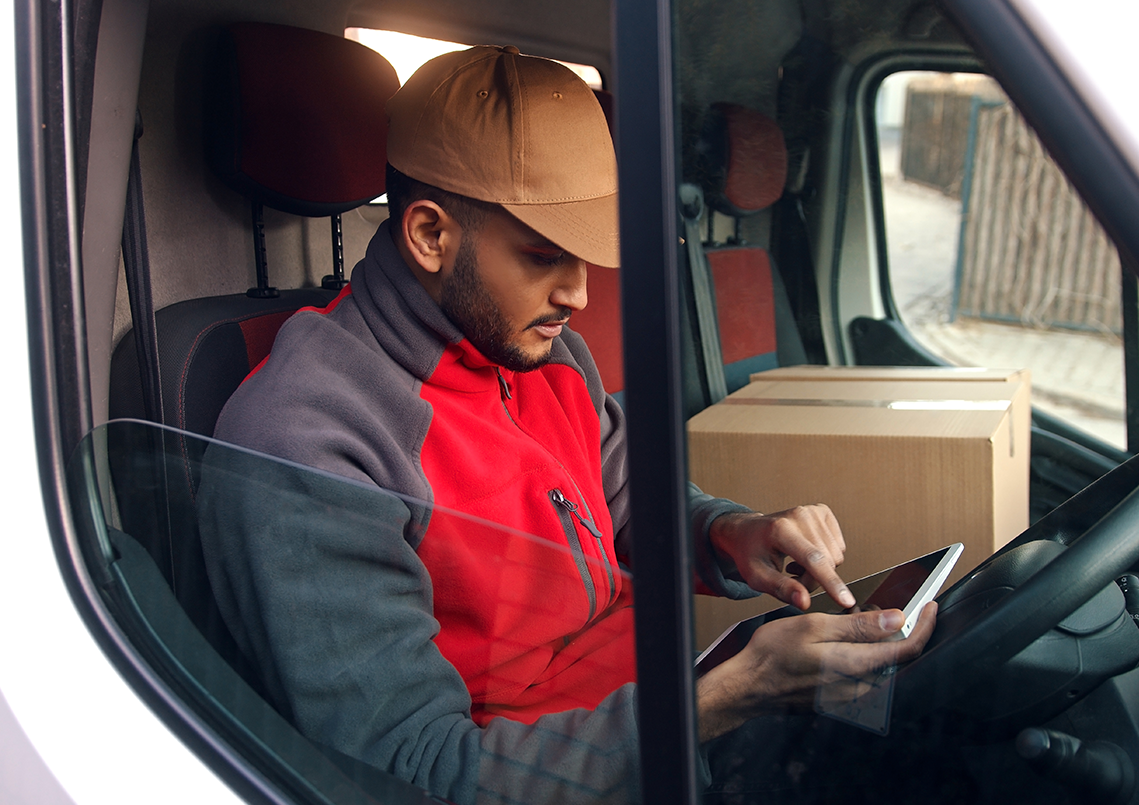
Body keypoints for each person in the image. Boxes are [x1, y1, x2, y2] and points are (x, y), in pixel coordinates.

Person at [199, 45, 936, 804]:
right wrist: (727, 695)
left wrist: (731, 534)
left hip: (670, 736)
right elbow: (414, 772)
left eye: (588, 256)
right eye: (544, 255)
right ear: (428, 235)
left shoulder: (545, 356)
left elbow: (626, 506)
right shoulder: (308, 442)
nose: (579, 294)